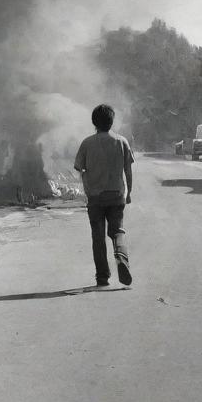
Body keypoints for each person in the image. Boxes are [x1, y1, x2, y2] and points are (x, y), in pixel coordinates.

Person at [73, 103, 134, 287]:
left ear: (94, 122)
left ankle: (102, 276)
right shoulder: (122, 141)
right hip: (116, 195)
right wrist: (129, 192)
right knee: (117, 231)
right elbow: (128, 171)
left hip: (95, 198)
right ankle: (121, 258)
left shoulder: (87, 143)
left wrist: (87, 186)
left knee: (97, 237)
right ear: (111, 121)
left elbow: (79, 168)